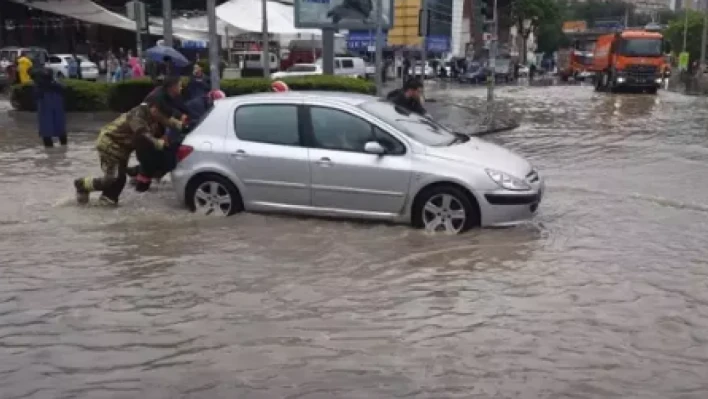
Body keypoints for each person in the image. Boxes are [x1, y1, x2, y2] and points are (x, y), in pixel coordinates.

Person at [73, 96, 184, 206]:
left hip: (123, 149)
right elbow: (142, 133)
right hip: (109, 143)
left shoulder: (154, 115)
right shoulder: (138, 114)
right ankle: (82, 185)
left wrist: (182, 126)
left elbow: (168, 120)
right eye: (162, 114)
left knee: (120, 180)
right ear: (154, 108)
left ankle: (106, 202)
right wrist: (158, 142)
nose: (163, 118)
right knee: (113, 178)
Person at [127, 89, 227, 192]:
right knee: (166, 160)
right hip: (177, 133)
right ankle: (139, 176)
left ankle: (138, 173)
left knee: (164, 160)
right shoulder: (197, 106)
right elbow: (195, 123)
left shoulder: (205, 104)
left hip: (179, 133)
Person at [34, 68, 67, 147]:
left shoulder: (39, 88)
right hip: (57, 112)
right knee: (60, 130)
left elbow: (35, 97)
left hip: (45, 112)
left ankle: (50, 153)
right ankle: (63, 150)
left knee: (47, 132)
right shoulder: (58, 86)